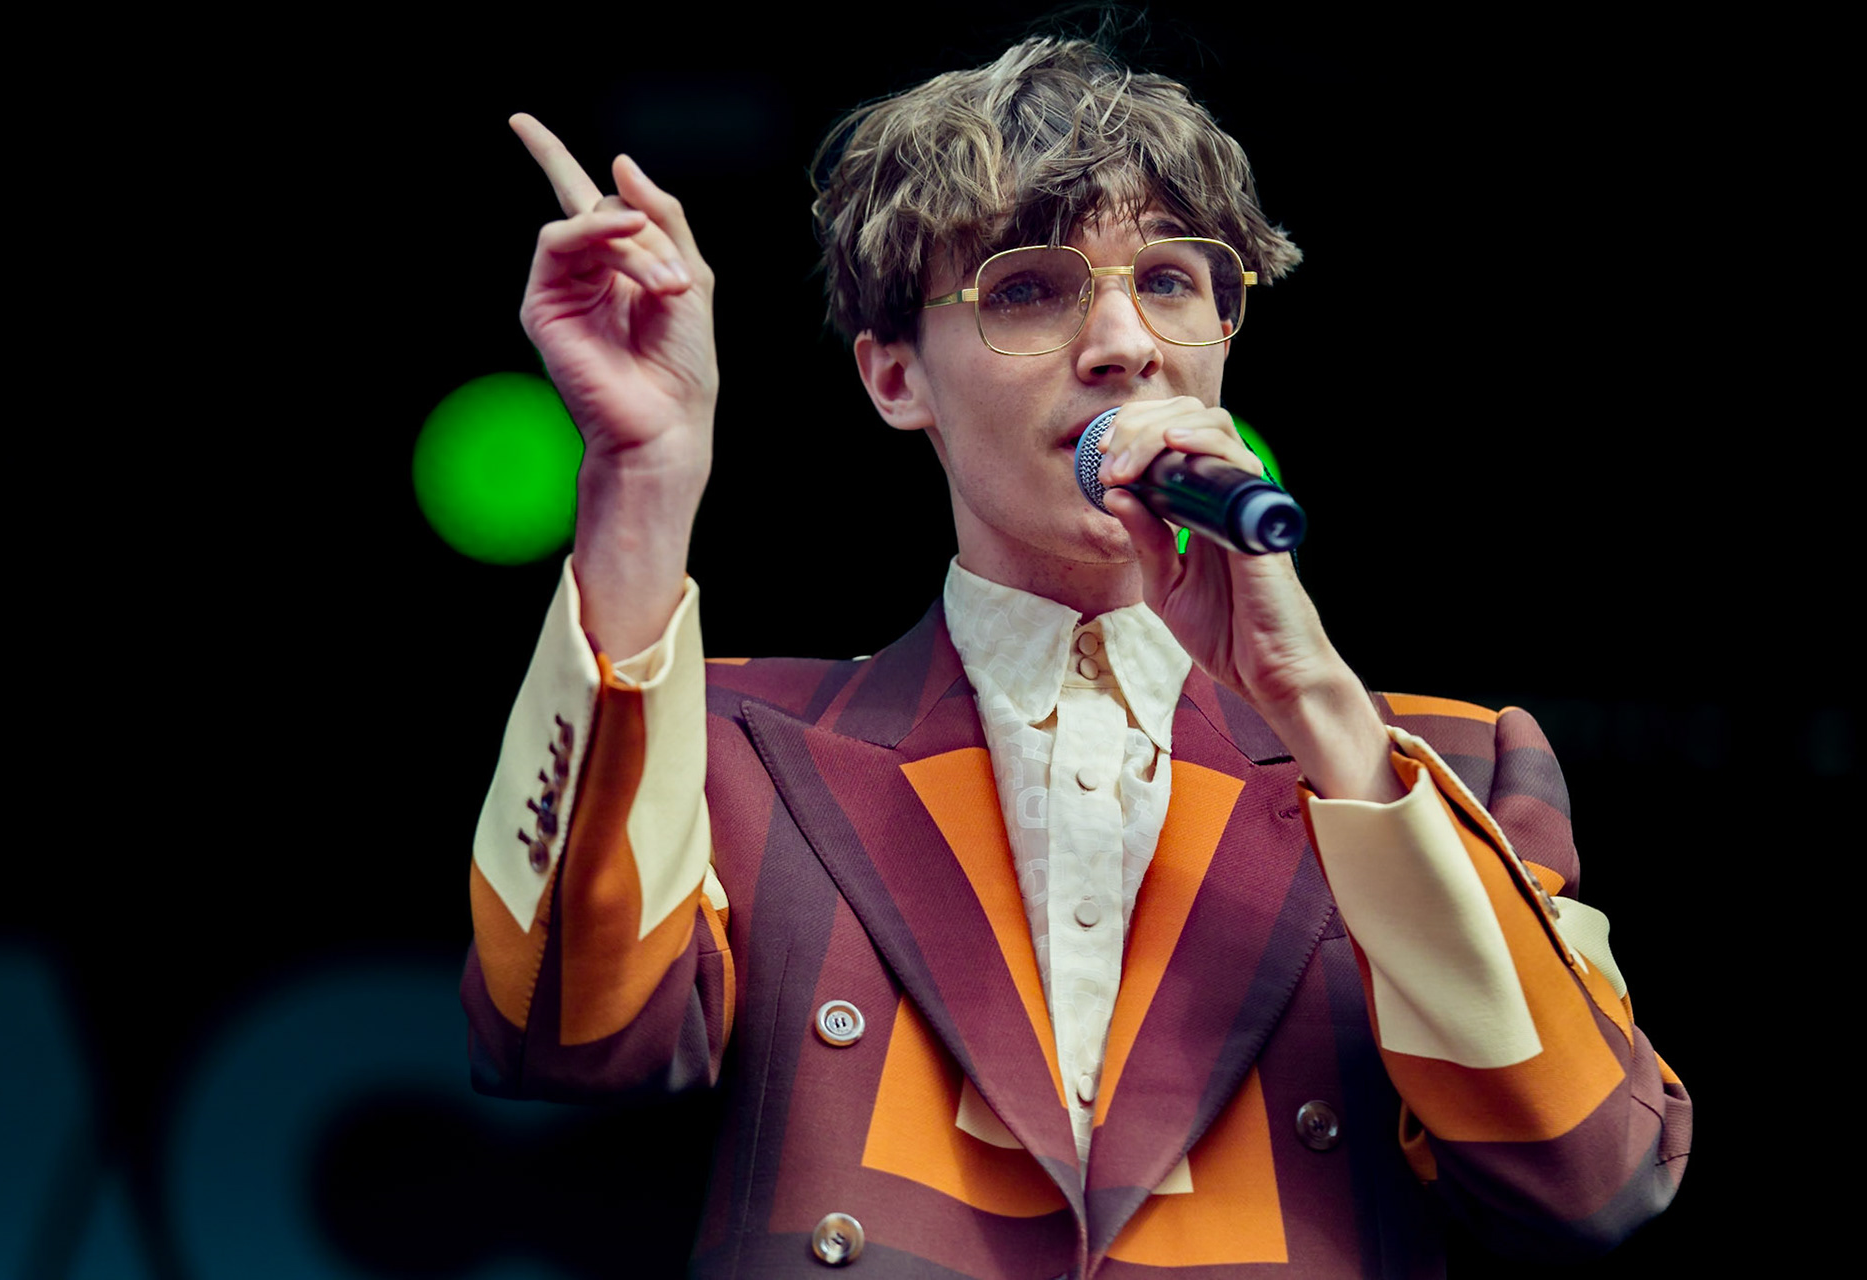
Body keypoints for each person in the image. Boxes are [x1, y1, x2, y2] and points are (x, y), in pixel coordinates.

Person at [461, 34, 1690, 1278]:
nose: (1123, 342)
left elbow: (1594, 1170)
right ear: (894, 376)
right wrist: (643, 481)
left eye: (1169, 279)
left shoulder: (1451, 766)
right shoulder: (742, 746)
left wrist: (1324, 715)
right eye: (1031, 290)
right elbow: (563, 1028)